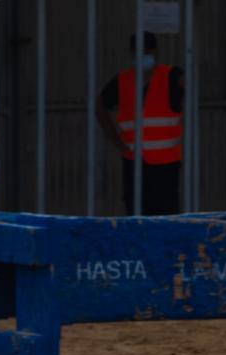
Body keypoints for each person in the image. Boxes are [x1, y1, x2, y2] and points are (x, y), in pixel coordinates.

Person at [96, 31, 185, 216]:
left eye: (147, 52)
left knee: (165, 218)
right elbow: (100, 106)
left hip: (165, 166)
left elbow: (188, 85)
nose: (143, 56)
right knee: (137, 217)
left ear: (154, 53)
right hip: (134, 163)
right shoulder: (122, 81)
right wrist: (117, 142)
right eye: (139, 52)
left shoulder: (170, 76)